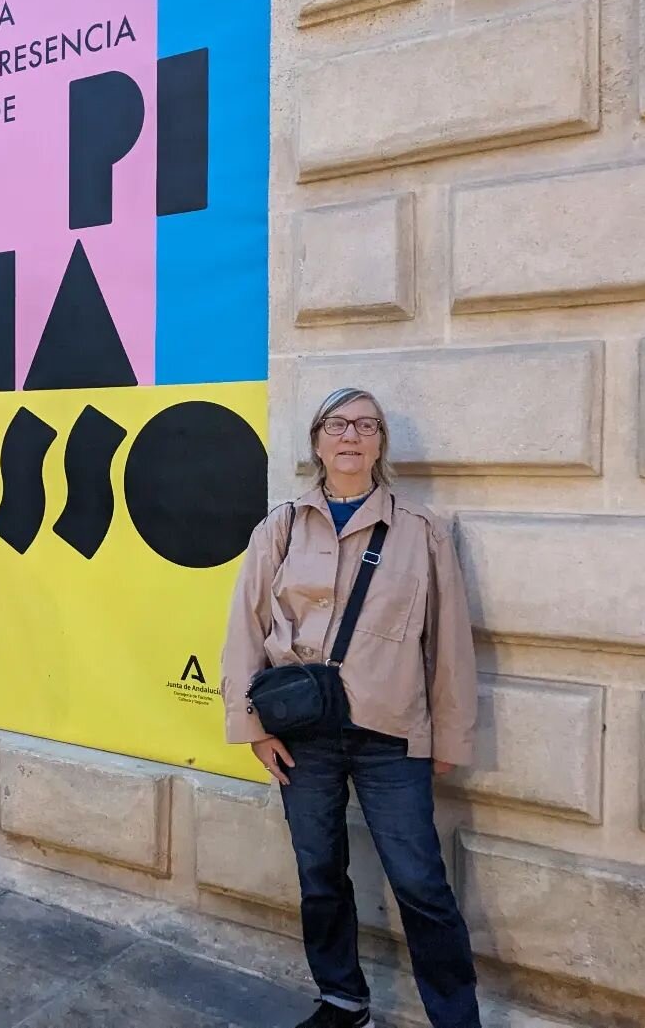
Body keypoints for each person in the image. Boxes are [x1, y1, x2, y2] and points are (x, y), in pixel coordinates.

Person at [220, 388, 481, 1028]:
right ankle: (343, 999)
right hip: (302, 734)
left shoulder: (420, 532)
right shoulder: (280, 527)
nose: (351, 436)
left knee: (421, 884)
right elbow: (245, 629)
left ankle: (456, 1019)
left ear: (380, 444)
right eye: (338, 424)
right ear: (317, 441)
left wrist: (449, 736)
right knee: (320, 873)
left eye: (366, 425)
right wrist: (251, 727)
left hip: (392, 736)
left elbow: (448, 642)